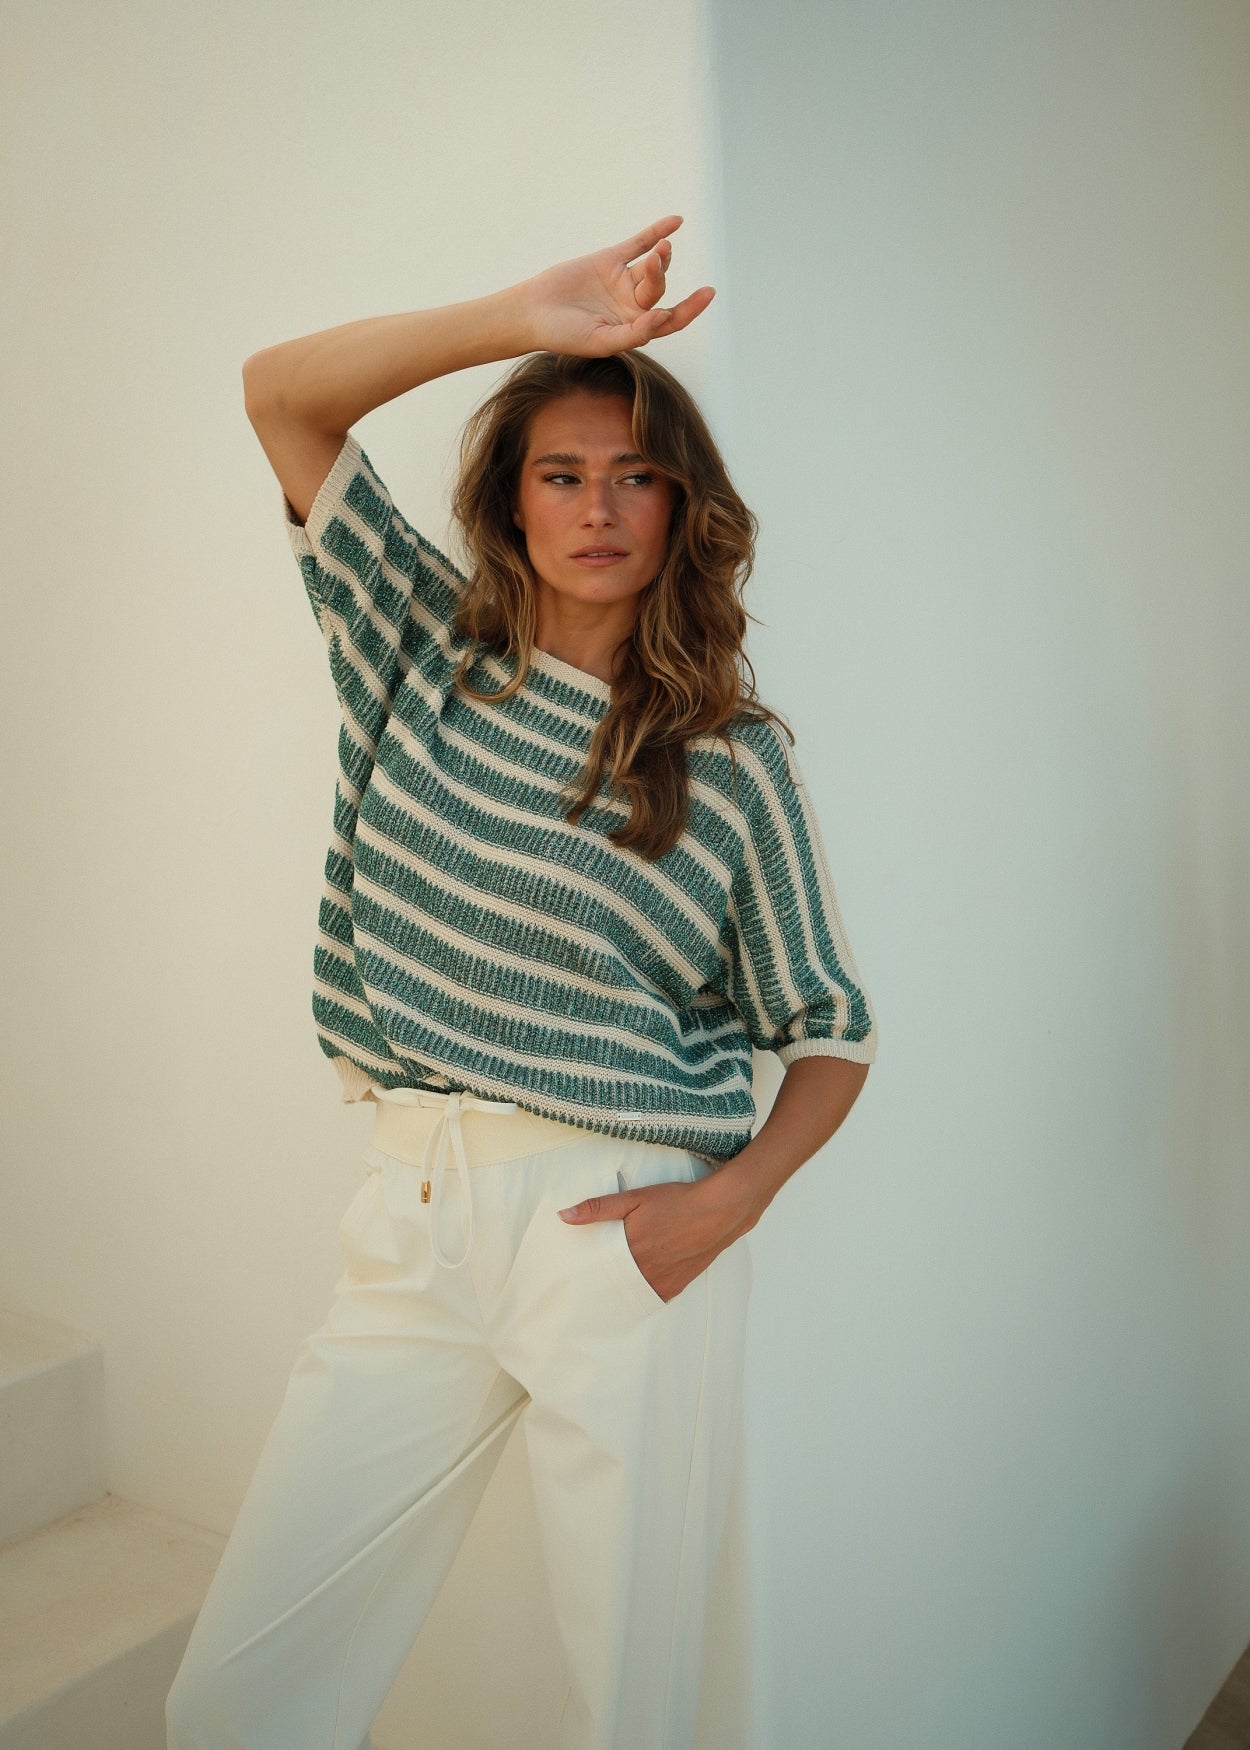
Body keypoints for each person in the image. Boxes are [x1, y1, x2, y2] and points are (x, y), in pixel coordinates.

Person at [166, 214, 878, 1750]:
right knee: (237, 1695)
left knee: (633, 1702)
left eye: (635, 475)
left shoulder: (729, 759)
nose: (598, 507)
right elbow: (279, 393)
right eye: (560, 473)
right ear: (510, 499)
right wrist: (518, 316)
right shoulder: (414, 646)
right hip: (412, 1212)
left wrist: (728, 1200)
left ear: (683, 507)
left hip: (624, 1228)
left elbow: (828, 1029)